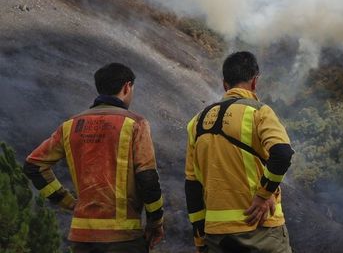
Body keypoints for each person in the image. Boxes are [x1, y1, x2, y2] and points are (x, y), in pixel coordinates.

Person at [24, 63, 165, 253]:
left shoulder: (70, 126)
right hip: (123, 237)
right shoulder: (135, 124)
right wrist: (155, 221)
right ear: (127, 87)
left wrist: (68, 202)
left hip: (83, 237)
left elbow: (34, 165)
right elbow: (147, 178)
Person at [185, 51, 294, 253]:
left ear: (225, 84)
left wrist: (200, 238)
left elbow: (192, 186)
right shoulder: (259, 112)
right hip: (260, 230)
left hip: (218, 235)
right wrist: (263, 194)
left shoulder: (196, 123)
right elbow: (282, 153)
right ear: (254, 82)